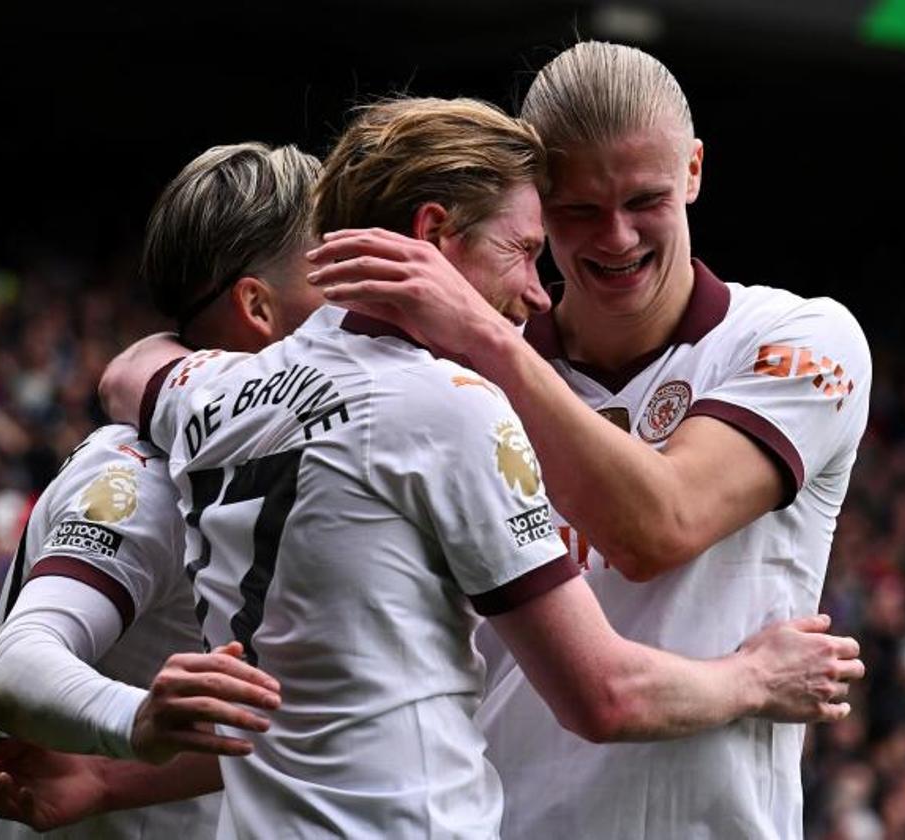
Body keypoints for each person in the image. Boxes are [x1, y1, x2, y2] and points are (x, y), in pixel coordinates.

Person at [305, 43, 873, 839]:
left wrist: (491, 345)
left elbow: (657, 528)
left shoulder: (799, 337)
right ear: (537, 203)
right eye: (576, 210)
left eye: (646, 199)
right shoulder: (443, 379)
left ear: (695, 172)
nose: (614, 238)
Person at [0, 141, 319, 840]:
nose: (350, 315)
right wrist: (136, 718)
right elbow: (15, 661)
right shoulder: (146, 472)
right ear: (259, 307)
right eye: (329, 279)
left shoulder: (271, 472)